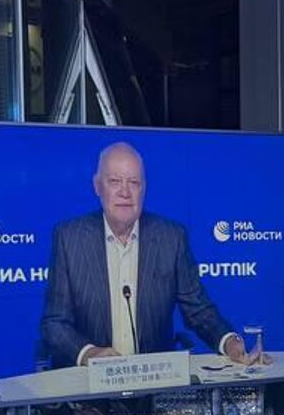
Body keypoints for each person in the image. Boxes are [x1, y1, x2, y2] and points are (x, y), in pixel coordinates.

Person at [40, 140, 262, 370]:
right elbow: (54, 323)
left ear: (143, 189)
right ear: (98, 186)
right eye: (114, 181)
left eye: (134, 183)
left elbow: (198, 310)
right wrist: (89, 353)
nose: (125, 192)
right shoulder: (70, 238)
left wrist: (230, 342)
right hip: (87, 381)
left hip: (153, 380)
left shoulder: (171, 237)